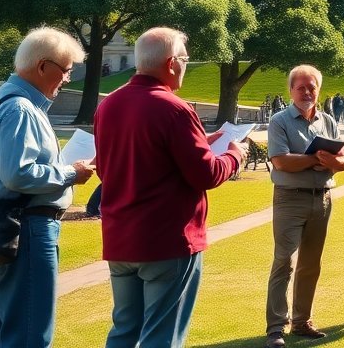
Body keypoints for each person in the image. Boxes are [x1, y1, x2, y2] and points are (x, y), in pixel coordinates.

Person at [94, 27, 245, 348]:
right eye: (185, 60)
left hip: (121, 238)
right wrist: (234, 155)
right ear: (172, 62)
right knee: (161, 337)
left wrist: (199, 144)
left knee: (124, 331)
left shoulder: (108, 106)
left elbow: (111, 169)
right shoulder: (174, 108)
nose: (186, 66)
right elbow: (207, 174)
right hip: (167, 240)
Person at [0, 27, 94, 348]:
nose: (67, 79)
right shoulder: (21, 110)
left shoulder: (9, 103)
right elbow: (19, 174)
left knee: (0, 334)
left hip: (7, 227)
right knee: (28, 335)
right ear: (43, 67)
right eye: (66, 70)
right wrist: (71, 172)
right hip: (26, 228)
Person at [264, 65, 344, 344]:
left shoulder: (328, 121)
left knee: (311, 263)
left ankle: (302, 321)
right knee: (284, 262)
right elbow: (281, 161)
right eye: (300, 87)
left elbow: (343, 162)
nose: (306, 92)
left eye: (311, 87)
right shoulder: (279, 121)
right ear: (290, 90)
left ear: (319, 90)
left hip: (322, 198)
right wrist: (318, 159)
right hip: (290, 198)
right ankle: (276, 326)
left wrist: (329, 160)